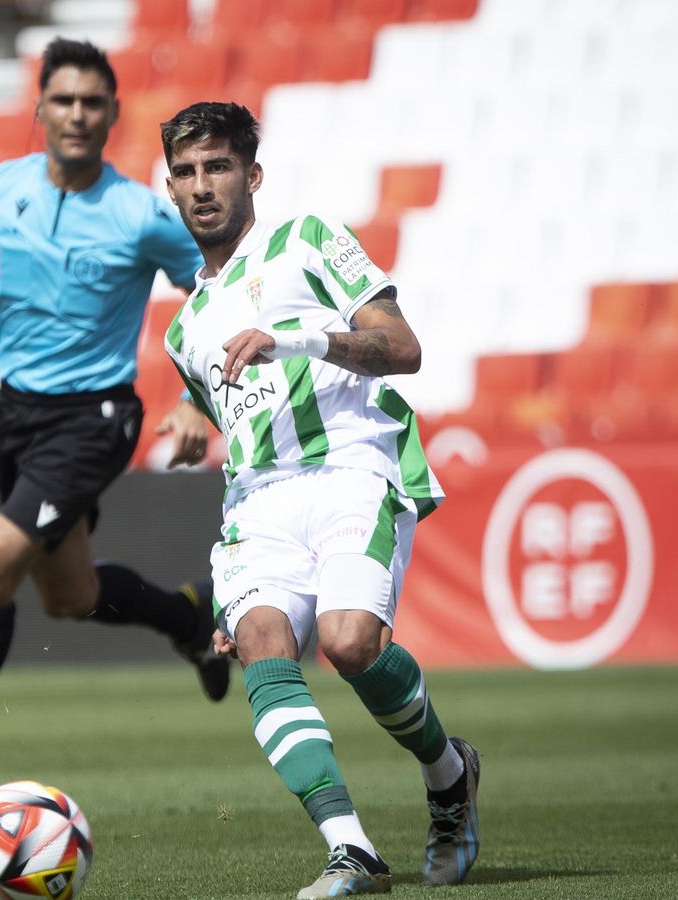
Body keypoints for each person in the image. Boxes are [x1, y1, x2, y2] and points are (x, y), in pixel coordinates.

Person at [0, 38, 229, 815]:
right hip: (17, 416)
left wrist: (195, 398)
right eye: (63, 99)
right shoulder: (4, 190)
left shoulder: (141, 213)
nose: (77, 114)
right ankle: (189, 617)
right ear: (39, 109)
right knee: (70, 595)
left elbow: (215, 293)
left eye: (92, 102)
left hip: (96, 418)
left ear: (113, 113)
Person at [157, 101, 480, 898]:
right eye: (186, 172)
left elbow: (402, 347)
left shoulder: (306, 240)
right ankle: (351, 849)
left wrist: (296, 339)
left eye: (219, 166)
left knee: (349, 643)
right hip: (257, 503)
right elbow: (237, 420)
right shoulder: (183, 329)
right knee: (262, 644)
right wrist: (194, 426)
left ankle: (448, 774)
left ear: (253, 175)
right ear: (170, 188)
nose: (202, 186)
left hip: (351, 467)